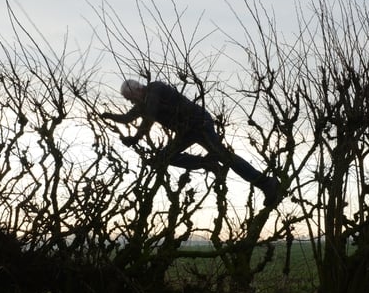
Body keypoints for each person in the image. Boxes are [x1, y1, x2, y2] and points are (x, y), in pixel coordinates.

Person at [101, 79, 280, 205]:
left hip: (200, 123)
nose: (129, 101)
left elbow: (150, 116)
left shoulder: (155, 89)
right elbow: (127, 118)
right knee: (165, 157)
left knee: (225, 156)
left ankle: (266, 183)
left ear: (137, 90)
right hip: (186, 131)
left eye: (129, 97)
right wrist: (109, 116)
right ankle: (205, 162)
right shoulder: (143, 103)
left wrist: (135, 138)